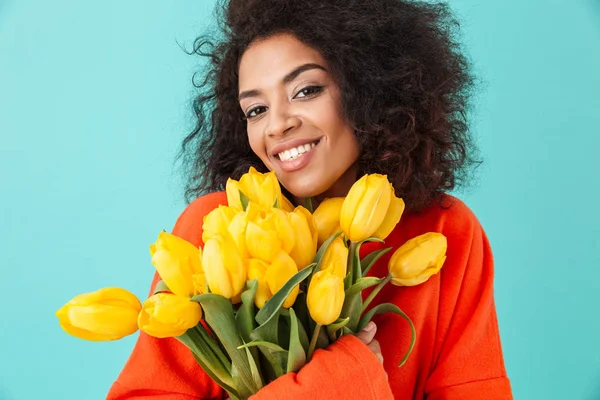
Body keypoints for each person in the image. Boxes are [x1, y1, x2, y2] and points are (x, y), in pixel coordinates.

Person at [107, 0, 513, 398]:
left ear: (369, 87)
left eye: (306, 90)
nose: (278, 124)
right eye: (256, 109)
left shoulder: (446, 231)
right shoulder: (215, 227)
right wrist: (337, 382)